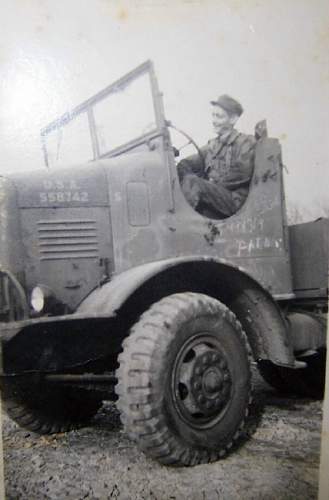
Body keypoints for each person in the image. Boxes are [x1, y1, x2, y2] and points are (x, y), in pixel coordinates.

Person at [177, 94, 256, 219]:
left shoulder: (245, 143)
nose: (214, 121)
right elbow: (186, 164)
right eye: (213, 115)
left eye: (219, 117)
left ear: (233, 119)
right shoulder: (212, 146)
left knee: (193, 182)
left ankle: (179, 223)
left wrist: (208, 186)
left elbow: (241, 173)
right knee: (184, 173)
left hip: (234, 201)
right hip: (215, 197)